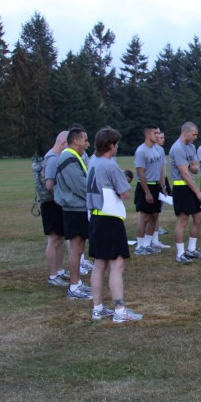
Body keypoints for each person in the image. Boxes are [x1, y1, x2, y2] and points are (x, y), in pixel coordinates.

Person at [86, 127, 143, 323]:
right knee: (117, 264)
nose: (117, 147)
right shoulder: (110, 166)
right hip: (110, 218)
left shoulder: (92, 162)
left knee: (99, 264)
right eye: (116, 143)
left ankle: (97, 308)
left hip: (95, 217)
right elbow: (125, 193)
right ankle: (120, 311)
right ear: (111, 145)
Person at [54, 127, 93, 300]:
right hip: (74, 209)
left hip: (79, 209)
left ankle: (76, 283)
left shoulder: (74, 156)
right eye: (85, 140)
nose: (88, 143)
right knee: (76, 248)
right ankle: (74, 287)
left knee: (79, 247)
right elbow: (80, 186)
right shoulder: (68, 157)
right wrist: (96, 197)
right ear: (76, 141)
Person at [169, 122, 201, 263]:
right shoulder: (178, 148)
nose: (196, 137)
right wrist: (198, 192)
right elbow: (185, 174)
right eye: (194, 134)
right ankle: (180, 254)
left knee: (199, 218)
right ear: (185, 132)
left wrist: (189, 165)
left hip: (190, 185)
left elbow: (195, 169)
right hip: (181, 187)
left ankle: (191, 250)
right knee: (183, 220)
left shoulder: (191, 147)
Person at [41, 131, 70, 287]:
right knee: (53, 240)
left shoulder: (55, 157)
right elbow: (49, 185)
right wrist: (61, 198)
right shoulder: (52, 159)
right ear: (63, 143)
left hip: (56, 203)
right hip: (52, 204)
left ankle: (59, 271)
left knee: (59, 238)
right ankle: (53, 276)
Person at [133, 125, 166, 256]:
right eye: (155, 133)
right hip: (145, 186)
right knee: (145, 216)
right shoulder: (141, 151)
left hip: (156, 186)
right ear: (147, 135)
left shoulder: (158, 150)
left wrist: (163, 187)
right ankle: (139, 246)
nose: (158, 136)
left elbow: (161, 169)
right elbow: (141, 173)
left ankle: (148, 244)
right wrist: (146, 192)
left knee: (154, 216)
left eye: (159, 133)